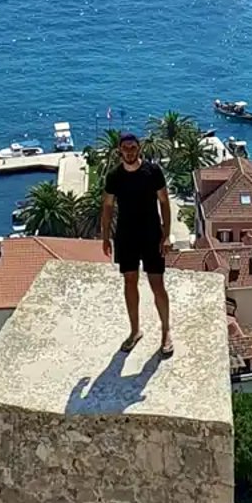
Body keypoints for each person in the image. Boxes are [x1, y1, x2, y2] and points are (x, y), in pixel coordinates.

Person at [100, 133, 172, 357]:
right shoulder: (114, 176)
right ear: (119, 151)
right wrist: (105, 236)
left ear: (139, 149)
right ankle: (134, 331)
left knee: (157, 284)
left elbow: (164, 202)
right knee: (129, 282)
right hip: (126, 235)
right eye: (125, 148)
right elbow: (108, 207)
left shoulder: (153, 172)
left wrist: (166, 235)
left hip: (151, 234)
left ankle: (166, 331)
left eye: (133, 147)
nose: (129, 151)